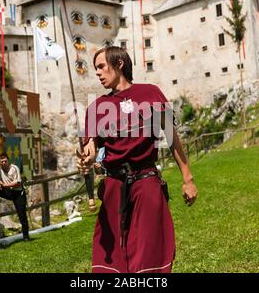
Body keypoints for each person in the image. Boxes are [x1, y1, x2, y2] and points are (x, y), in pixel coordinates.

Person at [76, 46, 198, 273]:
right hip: (114, 188)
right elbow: (90, 147)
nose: (98, 73)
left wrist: (187, 179)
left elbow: (172, 139)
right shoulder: (97, 107)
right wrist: (87, 157)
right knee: (110, 263)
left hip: (146, 184)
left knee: (148, 258)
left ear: (119, 63)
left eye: (101, 66)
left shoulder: (151, 93)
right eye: (95, 69)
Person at [0, 153, 30, 241]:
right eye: (2, 161)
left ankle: (26, 236)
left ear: (8, 161)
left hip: (18, 193)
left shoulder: (14, 168)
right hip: (9, 192)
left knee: (22, 214)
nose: (3, 163)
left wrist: (4, 185)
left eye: (5, 161)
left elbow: (17, 183)